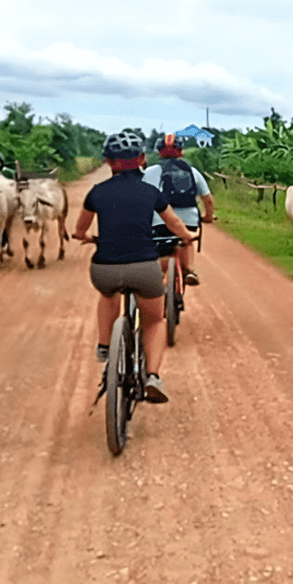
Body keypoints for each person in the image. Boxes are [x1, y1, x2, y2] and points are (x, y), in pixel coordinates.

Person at [73, 130, 198, 404]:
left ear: (108, 161)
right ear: (142, 159)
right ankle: (152, 376)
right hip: (144, 268)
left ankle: (105, 346)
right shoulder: (151, 192)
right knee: (154, 320)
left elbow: (79, 231)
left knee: (108, 295)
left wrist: (90, 238)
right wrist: (188, 237)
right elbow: (174, 223)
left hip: (104, 269)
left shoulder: (96, 193)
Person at [142, 133, 214, 285]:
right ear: (181, 151)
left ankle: (162, 279)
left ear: (159, 152)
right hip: (189, 219)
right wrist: (207, 216)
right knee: (186, 239)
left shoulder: (149, 172)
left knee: (162, 252)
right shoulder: (192, 172)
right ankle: (189, 270)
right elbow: (208, 200)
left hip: (159, 221)